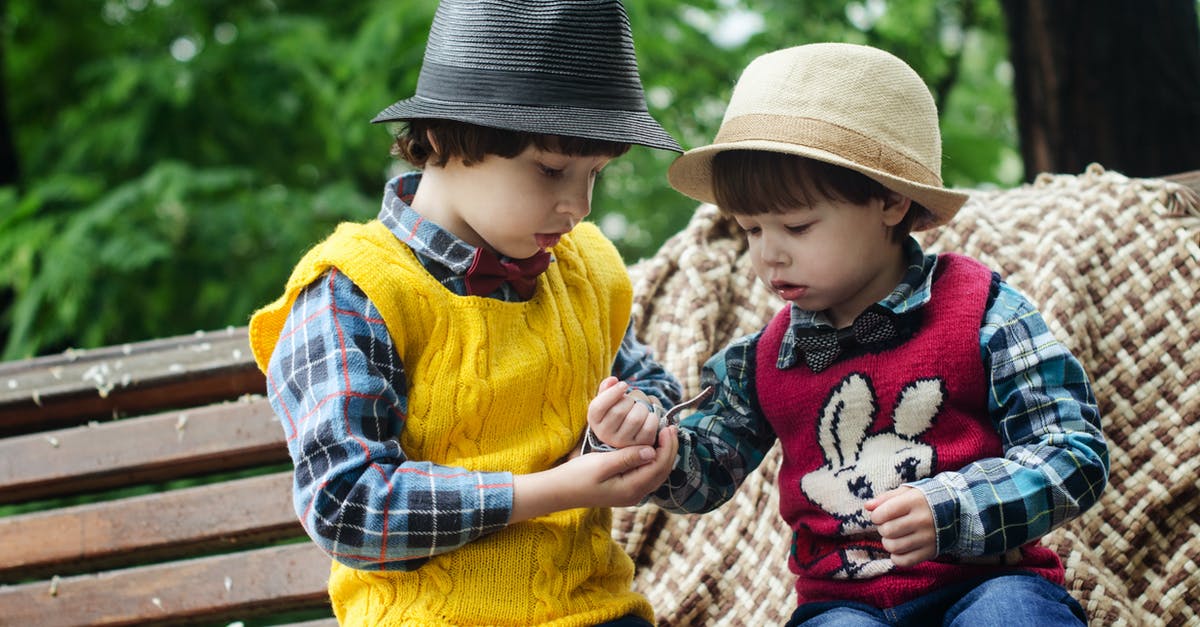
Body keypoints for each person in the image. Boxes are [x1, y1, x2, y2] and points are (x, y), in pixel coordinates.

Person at [587, 43, 1109, 626]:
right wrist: (644, 445)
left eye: (797, 225)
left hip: (988, 580)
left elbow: (1073, 451)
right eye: (751, 229)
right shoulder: (764, 359)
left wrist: (951, 508)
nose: (769, 254)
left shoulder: (981, 309)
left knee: (1011, 618)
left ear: (890, 201)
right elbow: (703, 475)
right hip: (843, 605)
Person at [246, 1, 685, 625]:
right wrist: (550, 492)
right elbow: (347, 506)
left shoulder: (587, 268)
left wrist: (635, 425)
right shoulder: (355, 290)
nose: (579, 205)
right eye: (553, 169)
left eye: (597, 175)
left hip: (598, 613)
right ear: (445, 137)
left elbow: (651, 389)